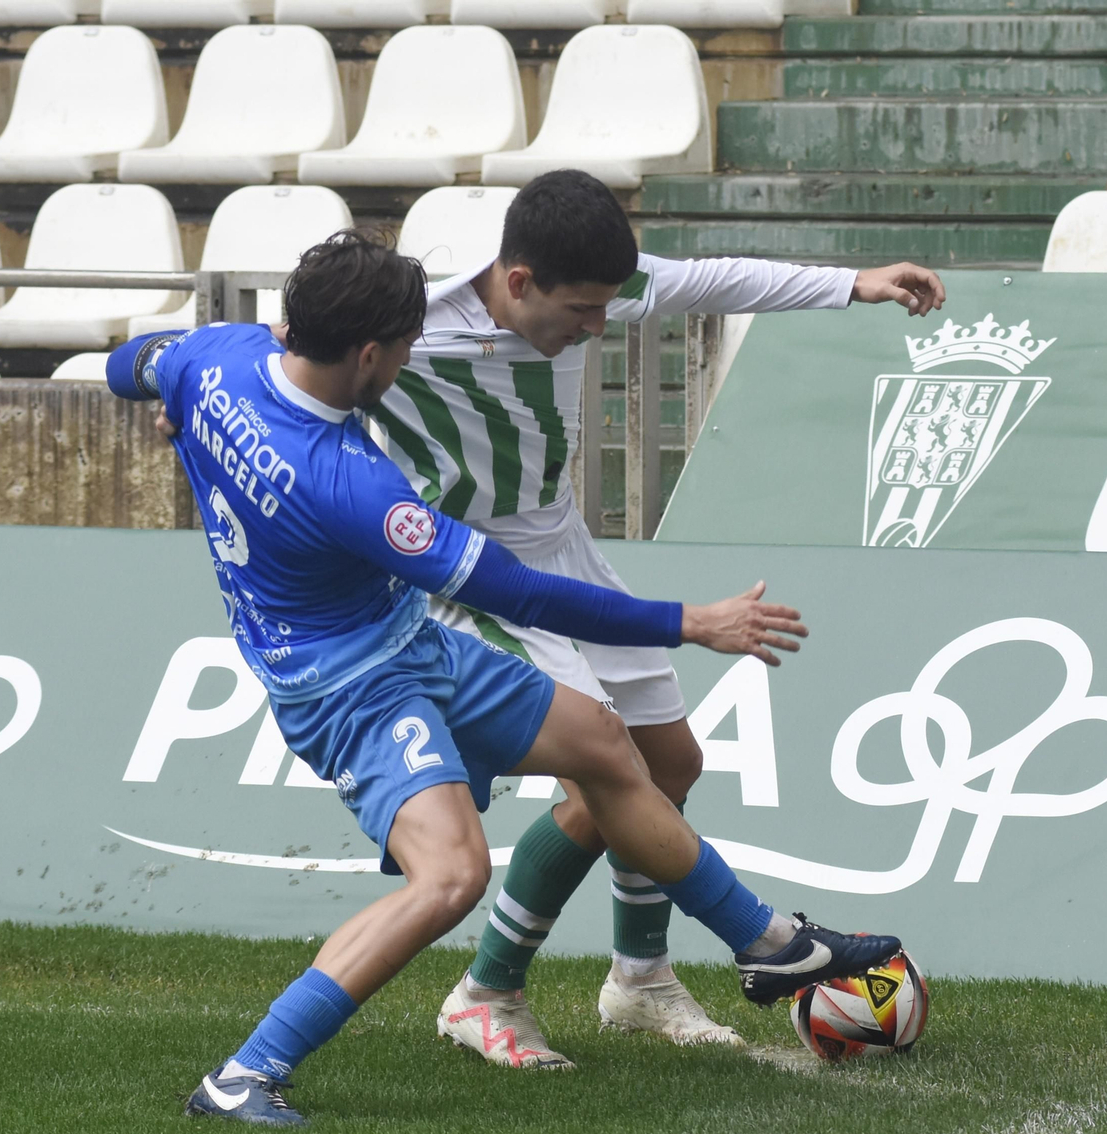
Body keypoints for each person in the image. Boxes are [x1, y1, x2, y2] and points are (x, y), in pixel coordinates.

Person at [107, 233, 900, 1128]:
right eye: (403, 348)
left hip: (404, 642)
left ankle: (773, 948)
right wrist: (690, 623)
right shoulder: (351, 487)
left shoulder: (221, 355)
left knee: (606, 744)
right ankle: (245, 1072)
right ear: (368, 352)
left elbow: (127, 361)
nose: (409, 360)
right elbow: (521, 593)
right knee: (449, 877)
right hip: (350, 688)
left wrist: (167, 410)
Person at [371, 170, 946, 1065]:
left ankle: (639, 977)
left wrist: (853, 285)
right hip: (464, 574)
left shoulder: (585, 282)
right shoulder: (407, 327)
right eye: (582, 310)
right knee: (604, 764)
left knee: (669, 761)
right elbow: (267, 357)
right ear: (517, 283)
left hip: (563, 552)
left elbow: (712, 278)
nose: (599, 326)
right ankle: (487, 991)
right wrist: (173, 390)